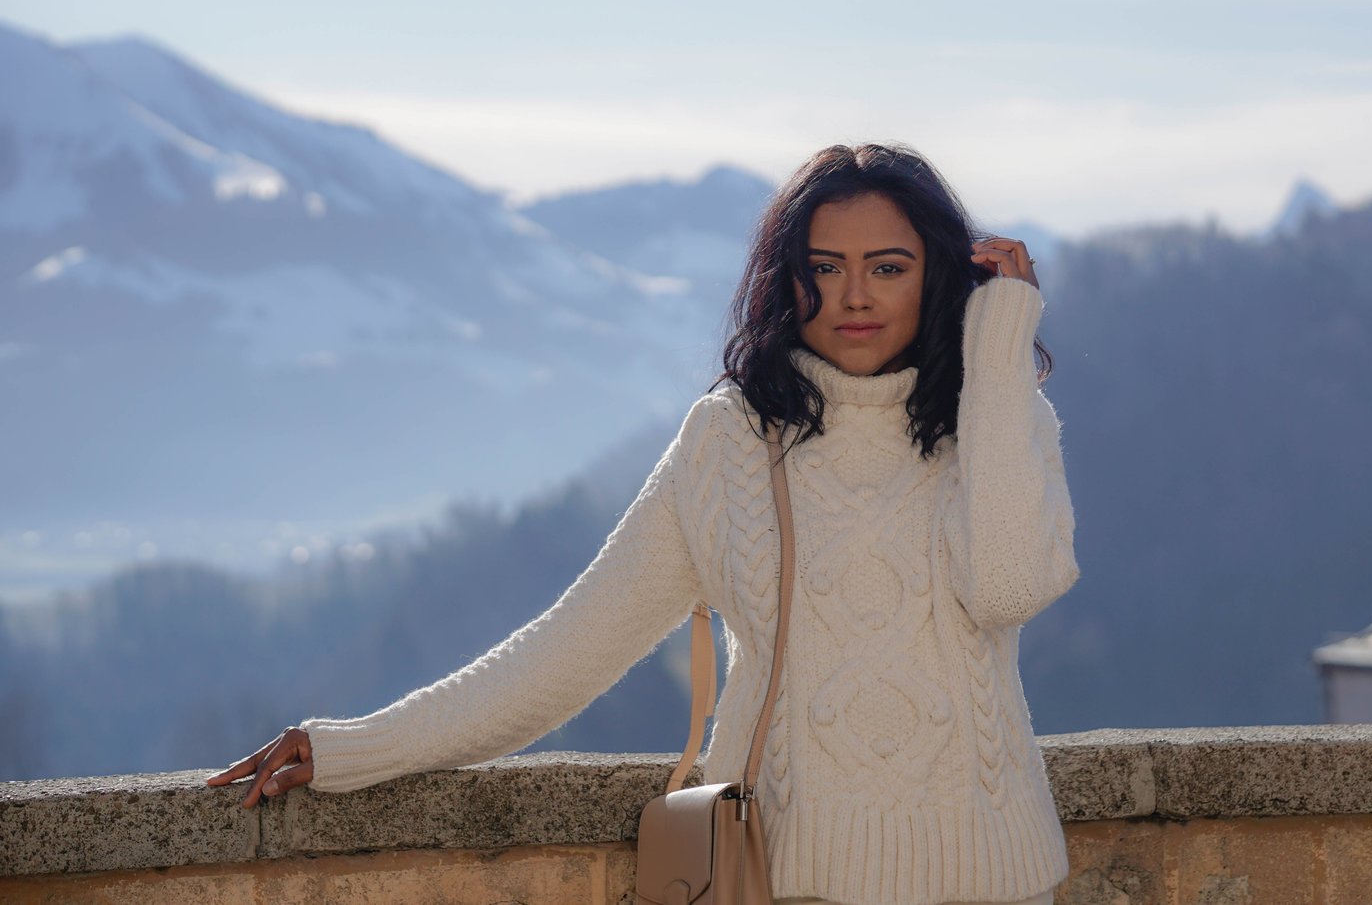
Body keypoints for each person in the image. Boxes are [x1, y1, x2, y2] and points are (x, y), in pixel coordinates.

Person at [207, 143, 1079, 905]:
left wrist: (997, 350)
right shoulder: (733, 440)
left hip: (989, 879)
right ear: (788, 276)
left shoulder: (1001, 421)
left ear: (936, 273)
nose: (854, 294)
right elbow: (570, 648)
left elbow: (1005, 589)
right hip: (782, 879)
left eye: (888, 266)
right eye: (824, 266)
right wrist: (356, 748)